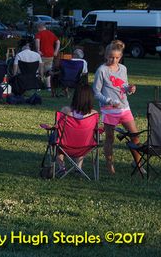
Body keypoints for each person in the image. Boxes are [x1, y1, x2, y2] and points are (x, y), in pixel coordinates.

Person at [93, 44, 142, 175]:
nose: (113, 60)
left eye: (116, 58)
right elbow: (96, 93)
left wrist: (130, 89)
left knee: (135, 136)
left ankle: (137, 163)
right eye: (110, 57)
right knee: (110, 138)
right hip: (109, 110)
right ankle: (110, 165)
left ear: (120, 57)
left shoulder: (123, 69)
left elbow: (124, 86)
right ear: (105, 56)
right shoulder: (102, 70)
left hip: (124, 108)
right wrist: (109, 101)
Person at [55, 84, 98, 176]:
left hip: (64, 145)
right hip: (85, 147)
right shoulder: (93, 114)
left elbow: (57, 127)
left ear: (76, 97)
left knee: (56, 138)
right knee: (83, 137)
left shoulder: (66, 111)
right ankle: (78, 167)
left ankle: (62, 167)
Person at [34, 22, 60, 90]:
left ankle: (39, 86)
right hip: (50, 55)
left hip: (42, 55)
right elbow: (58, 42)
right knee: (48, 71)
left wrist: (38, 50)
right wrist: (56, 51)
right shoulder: (51, 33)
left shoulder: (39, 34)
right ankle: (48, 87)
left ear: (39, 28)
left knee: (40, 71)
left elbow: (37, 41)